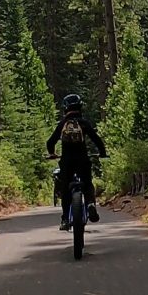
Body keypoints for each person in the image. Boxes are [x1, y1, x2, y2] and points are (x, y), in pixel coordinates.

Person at [47, 93, 107, 229]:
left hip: (67, 162)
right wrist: (102, 153)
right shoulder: (84, 123)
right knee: (87, 184)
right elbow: (97, 140)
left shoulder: (63, 124)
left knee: (66, 189)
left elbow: (50, 142)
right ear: (80, 107)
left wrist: (52, 153)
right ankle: (91, 204)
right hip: (82, 160)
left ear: (65, 108)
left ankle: (64, 220)